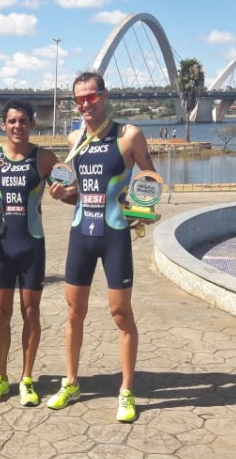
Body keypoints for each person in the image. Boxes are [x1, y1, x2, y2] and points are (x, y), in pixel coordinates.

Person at [47, 71, 157, 423]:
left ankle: (126, 390)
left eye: (91, 97)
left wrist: (142, 210)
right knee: (73, 312)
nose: (84, 105)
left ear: (104, 96)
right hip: (81, 234)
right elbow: (79, 193)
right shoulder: (75, 138)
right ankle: (72, 382)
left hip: (114, 235)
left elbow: (149, 178)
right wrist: (64, 195)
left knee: (120, 313)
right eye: (78, 99)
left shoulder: (128, 135)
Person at [0, 99, 58, 406]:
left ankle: (27, 379)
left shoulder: (45, 158)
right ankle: (1, 378)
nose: (17, 125)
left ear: (32, 124)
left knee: (30, 313)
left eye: (23, 120)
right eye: (12, 121)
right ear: (3, 125)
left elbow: (69, 190)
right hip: (1, 247)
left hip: (32, 245)